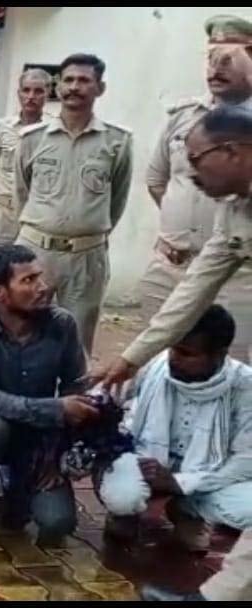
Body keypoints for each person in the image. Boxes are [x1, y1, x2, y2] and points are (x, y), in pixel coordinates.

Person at [0, 244, 96, 553]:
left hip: (39, 434)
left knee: (57, 523)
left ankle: (16, 480)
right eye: (29, 280)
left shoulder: (62, 323)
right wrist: (55, 409)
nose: (43, 287)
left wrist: (56, 453)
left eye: (40, 277)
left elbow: (76, 389)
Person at [100, 104, 252, 389]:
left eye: (195, 160)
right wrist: (131, 359)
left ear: (231, 152)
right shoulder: (234, 208)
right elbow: (195, 288)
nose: (191, 174)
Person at [138, 15, 252, 361]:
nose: (216, 68)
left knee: (228, 370)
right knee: (157, 365)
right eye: (211, 58)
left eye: (228, 59)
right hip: (170, 267)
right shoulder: (184, 115)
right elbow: (157, 180)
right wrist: (184, 229)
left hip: (236, 277)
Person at [100, 305, 252, 552]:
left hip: (206, 474)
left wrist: (180, 483)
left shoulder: (246, 386)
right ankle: (126, 513)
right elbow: (107, 400)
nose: (173, 357)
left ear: (219, 354)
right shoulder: (154, 363)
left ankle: (188, 510)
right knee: (123, 497)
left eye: (186, 353)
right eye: (172, 348)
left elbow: (246, 460)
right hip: (144, 459)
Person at [13, 53, 133, 355]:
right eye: (68, 80)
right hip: (35, 252)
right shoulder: (32, 139)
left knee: (77, 341)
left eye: (84, 81)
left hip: (86, 257)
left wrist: (88, 231)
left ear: (100, 88)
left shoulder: (117, 141)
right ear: (58, 87)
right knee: (22, 332)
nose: (74, 87)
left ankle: (71, 386)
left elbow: (117, 199)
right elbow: (21, 193)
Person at [0, 68, 52, 250]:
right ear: (18, 93)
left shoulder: (53, 131)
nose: (31, 96)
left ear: (48, 93)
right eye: (26, 90)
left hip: (36, 212)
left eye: (38, 91)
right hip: (3, 211)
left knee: (31, 261)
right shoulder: (0, 127)